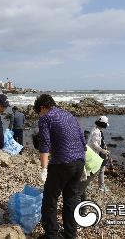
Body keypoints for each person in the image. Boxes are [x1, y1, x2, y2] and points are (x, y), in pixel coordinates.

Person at [35, 94, 85, 239]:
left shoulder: (46, 117)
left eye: (39, 111)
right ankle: (70, 234)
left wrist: (44, 168)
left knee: (50, 199)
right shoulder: (69, 115)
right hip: (79, 161)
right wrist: (84, 164)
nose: (40, 114)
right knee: (71, 199)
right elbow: (82, 139)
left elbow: (44, 143)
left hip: (62, 163)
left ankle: (52, 235)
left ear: (43, 107)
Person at [86, 116, 110, 192]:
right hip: (95, 153)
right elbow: (94, 143)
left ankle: (88, 185)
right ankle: (101, 186)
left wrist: (104, 146)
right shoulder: (96, 132)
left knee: (92, 169)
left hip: (94, 152)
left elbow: (100, 141)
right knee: (100, 169)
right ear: (103, 125)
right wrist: (102, 150)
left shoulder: (96, 130)